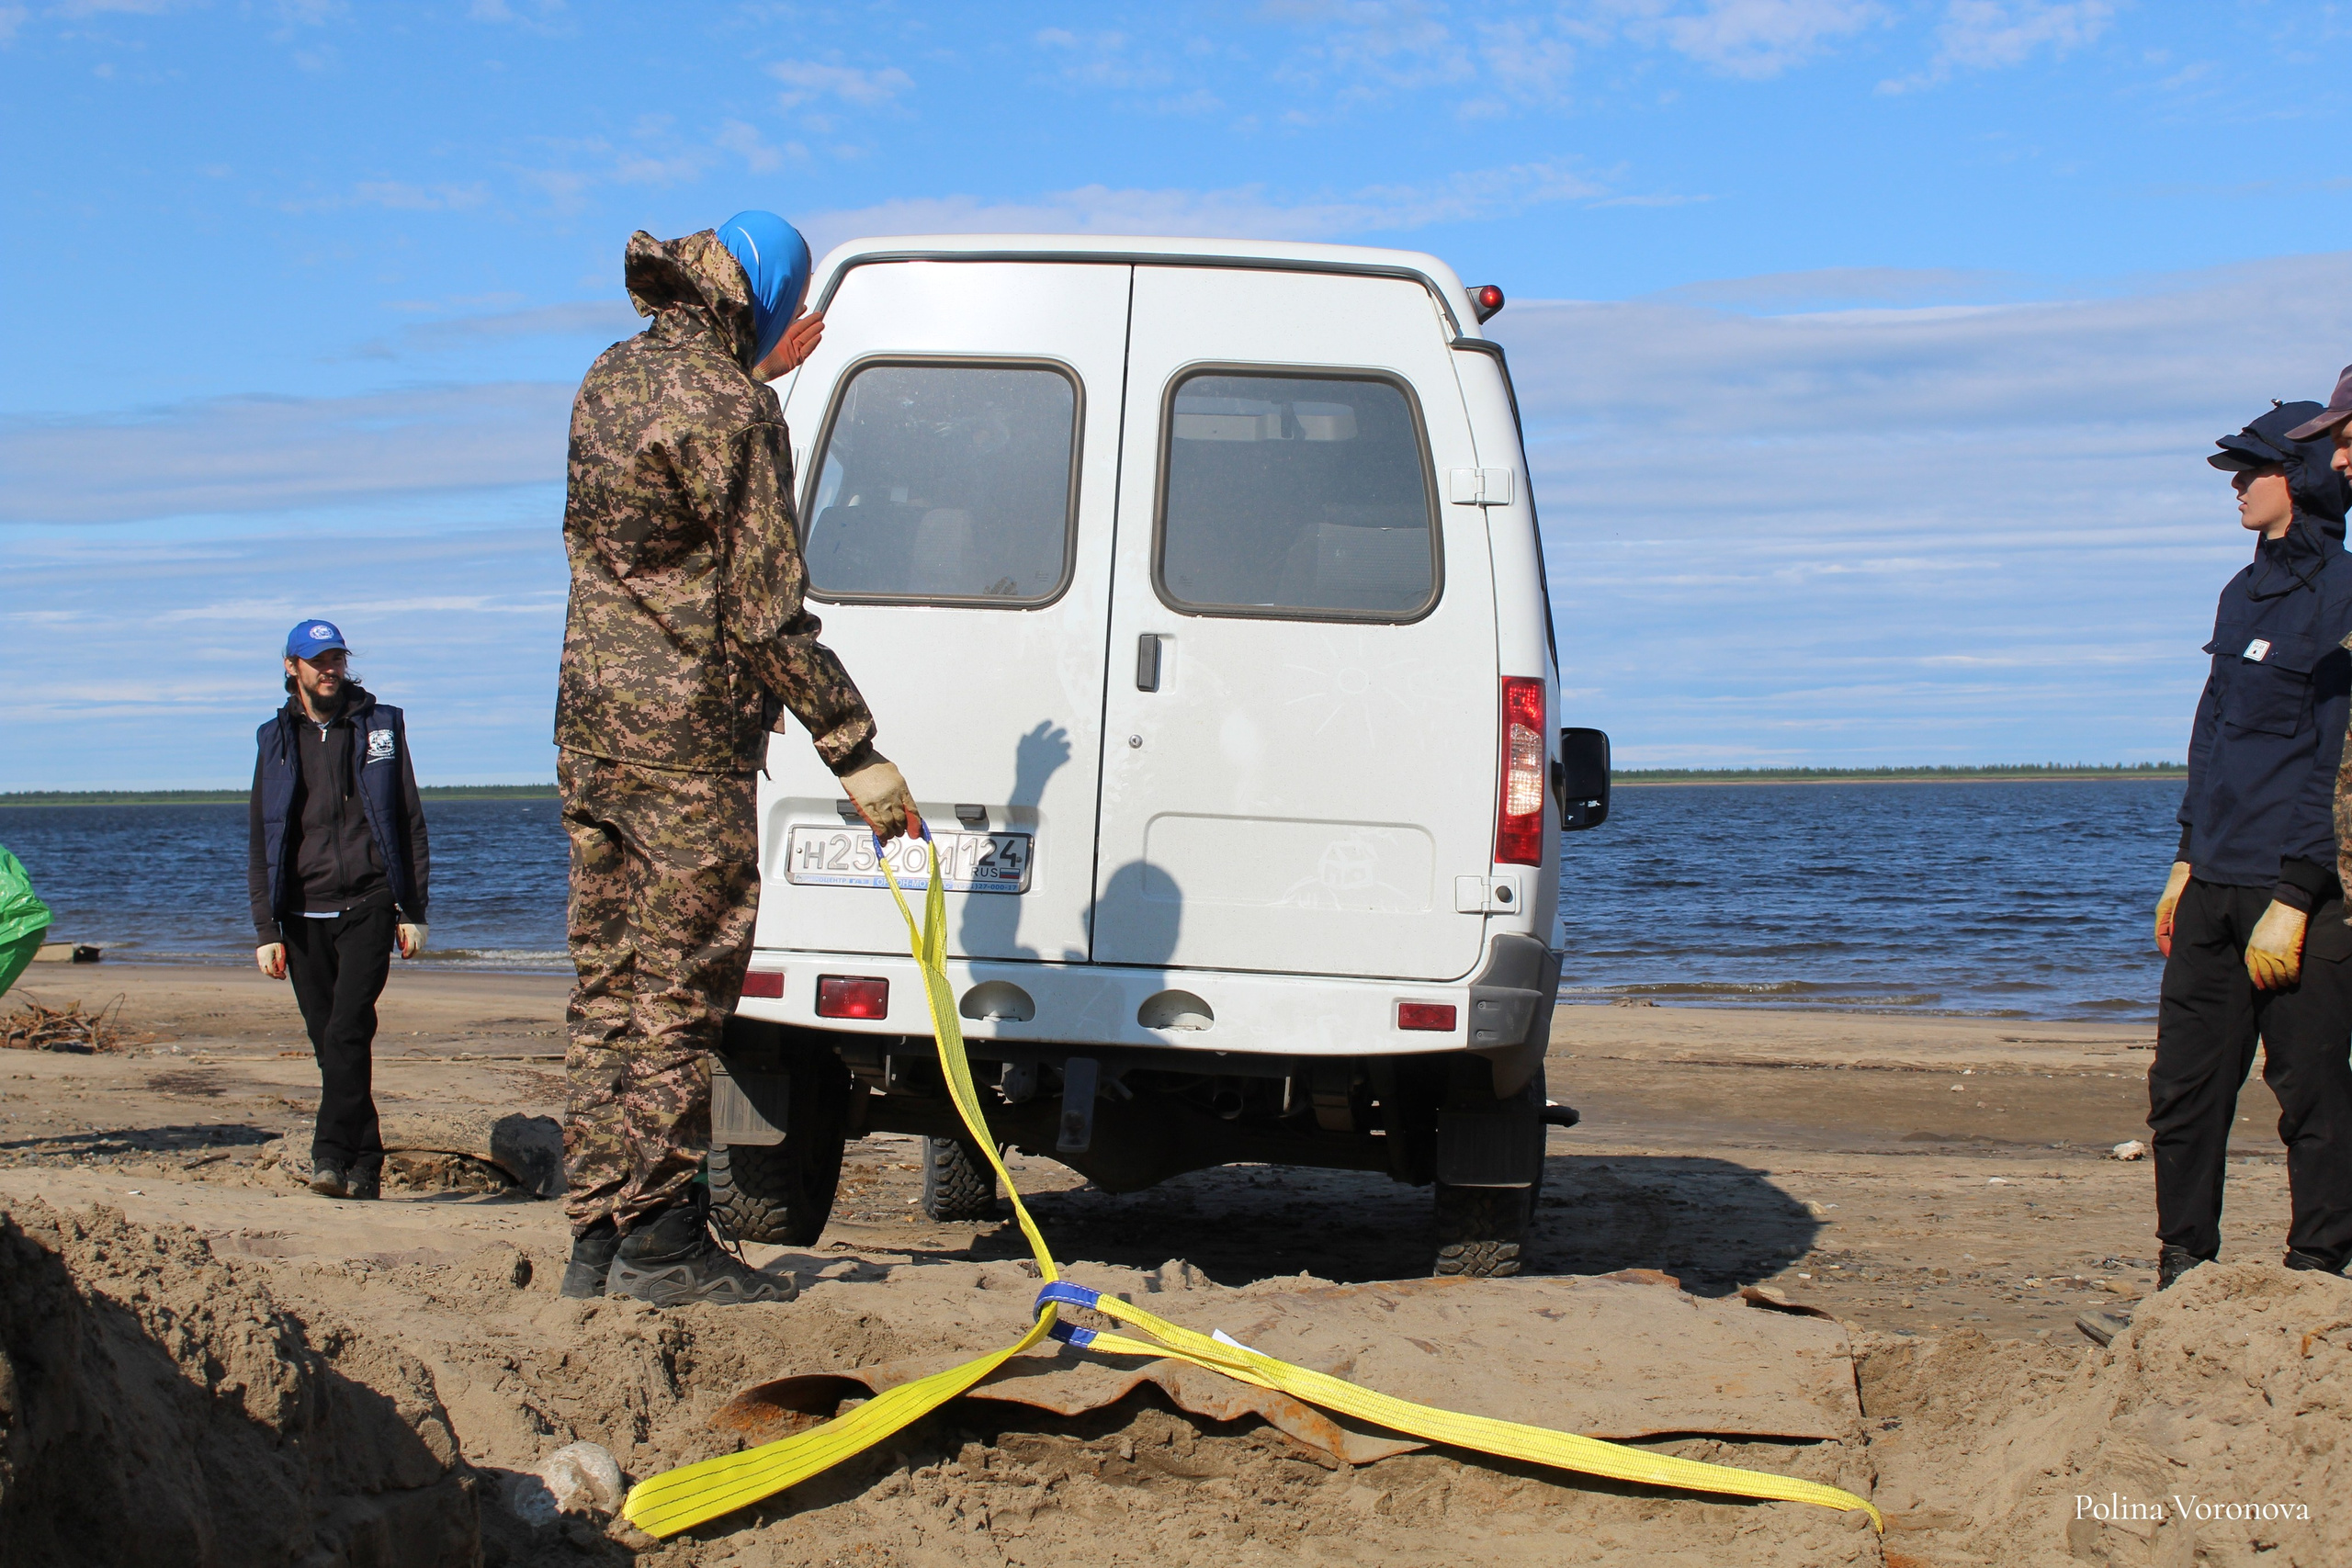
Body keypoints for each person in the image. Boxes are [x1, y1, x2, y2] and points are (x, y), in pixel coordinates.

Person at [555, 210, 920, 1305]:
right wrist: (855, 750)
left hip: (590, 729)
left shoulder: (610, 377)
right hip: (686, 747)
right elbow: (764, 613)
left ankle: (597, 1235)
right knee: (679, 992)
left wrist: (756, 372)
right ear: (763, 296)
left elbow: (656, 535)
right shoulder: (733, 409)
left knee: (607, 989)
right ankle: (664, 1242)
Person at [2144, 401, 2352, 1297]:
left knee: (2310, 1098)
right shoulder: (2239, 592)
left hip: (2291, 894)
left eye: (2249, 471)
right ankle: (2182, 1283)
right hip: (2213, 883)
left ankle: (2318, 1279)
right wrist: (2185, 856)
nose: (2234, 486)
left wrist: (2299, 893)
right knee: (2182, 1096)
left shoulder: (2343, 593)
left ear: (2295, 481)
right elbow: (2213, 731)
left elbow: (2333, 753)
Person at [248, 619, 431, 1201]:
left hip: (370, 904)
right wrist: (264, 927)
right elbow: (262, 835)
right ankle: (368, 1159)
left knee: (349, 1029)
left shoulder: (381, 724)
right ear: (291, 667)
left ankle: (328, 1154)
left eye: (337, 659)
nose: (330, 670)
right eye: (317, 660)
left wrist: (414, 910)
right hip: (302, 915)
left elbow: (409, 821)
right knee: (330, 1042)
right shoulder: (273, 737)